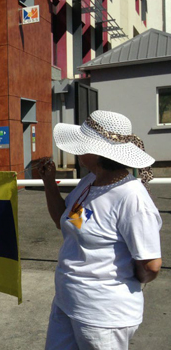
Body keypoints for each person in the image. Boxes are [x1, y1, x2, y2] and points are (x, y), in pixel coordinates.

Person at [38, 110, 162, 350]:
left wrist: (115, 283)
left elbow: (150, 265)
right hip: (68, 302)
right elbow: (63, 220)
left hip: (103, 316)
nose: (77, 150)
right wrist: (48, 182)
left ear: (97, 152)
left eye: (81, 145)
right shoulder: (90, 182)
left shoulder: (132, 197)